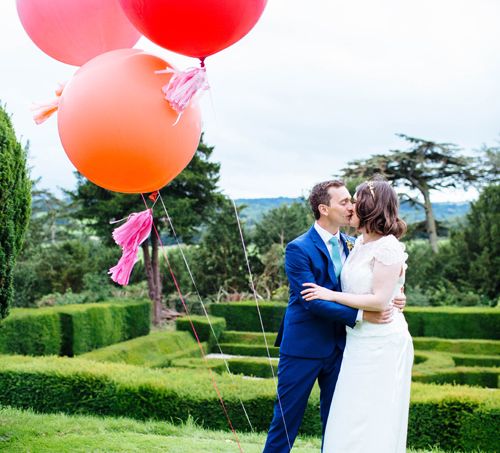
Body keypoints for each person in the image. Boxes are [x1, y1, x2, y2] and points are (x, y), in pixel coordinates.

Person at [263, 180, 406, 453]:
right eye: (344, 202)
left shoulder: (356, 244)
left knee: (337, 421)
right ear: (323, 208)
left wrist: (395, 296)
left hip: (343, 347)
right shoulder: (298, 248)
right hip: (304, 346)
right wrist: (361, 315)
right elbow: (312, 302)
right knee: (285, 419)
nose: (352, 206)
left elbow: (374, 284)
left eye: (352, 200)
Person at [301, 179, 413, 453]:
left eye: (356, 201)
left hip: (382, 340)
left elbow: (379, 300)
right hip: (358, 340)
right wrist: (394, 294)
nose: (351, 207)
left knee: (374, 414)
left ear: (370, 207)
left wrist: (331, 295)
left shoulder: (388, 246)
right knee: (349, 411)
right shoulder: (359, 243)